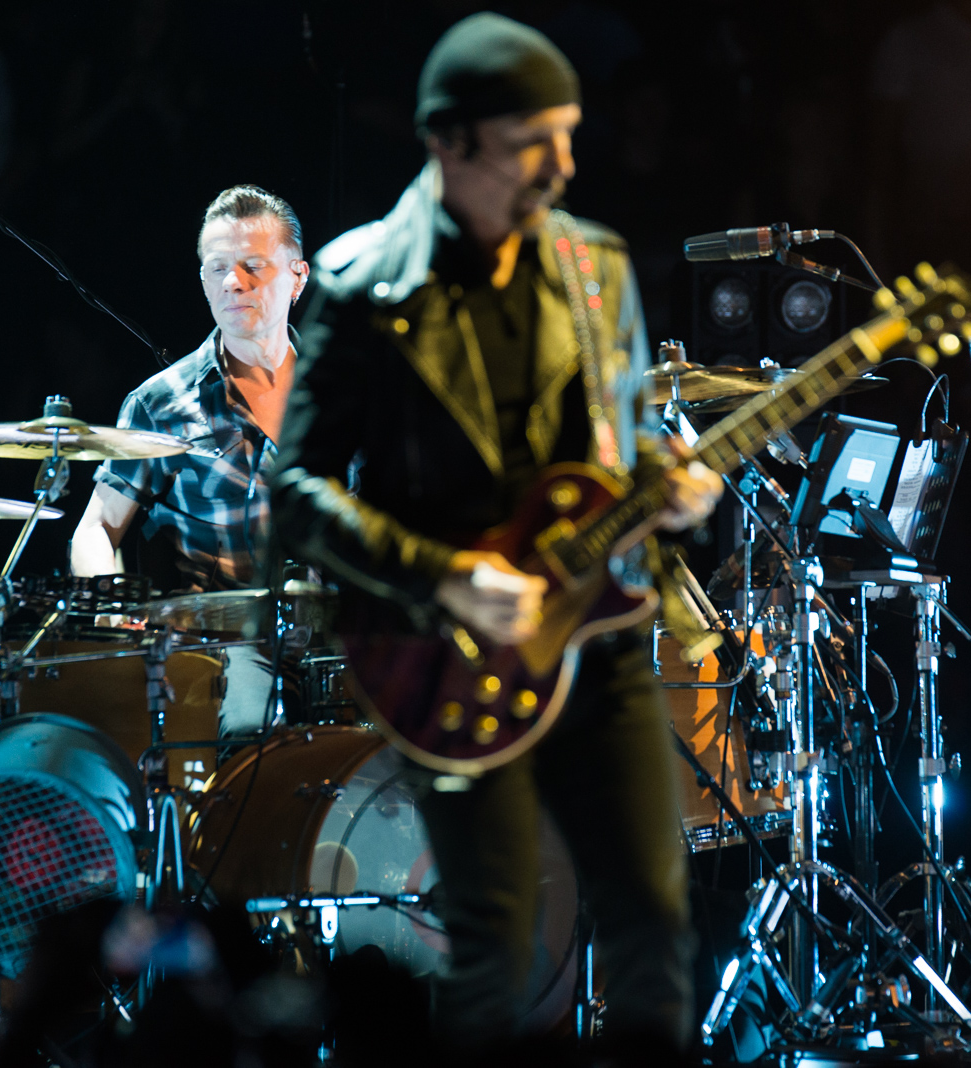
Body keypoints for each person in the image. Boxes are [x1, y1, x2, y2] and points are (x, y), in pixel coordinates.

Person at [270, 13, 720, 1054]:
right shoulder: (362, 282)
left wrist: (671, 494)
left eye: (568, 136)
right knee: (494, 943)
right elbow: (296, 492)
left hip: (598, 638)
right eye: (533, 144)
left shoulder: (596, 265)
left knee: (653, 925)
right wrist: (445, 577)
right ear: (449, 142)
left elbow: (624, 453)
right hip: (447, 653)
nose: (563, 167)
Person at [70, 184, 308, 734]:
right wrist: (114, 610)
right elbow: (95, 530)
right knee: (254, 727)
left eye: (253, 266)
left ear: (297, 277)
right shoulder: (161, 404)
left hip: (347, 635)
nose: (233, 282)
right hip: (228, 645)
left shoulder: (346, 390)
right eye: (217, 268)